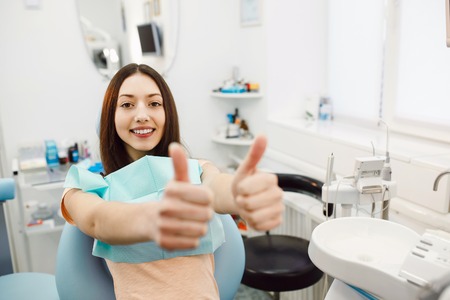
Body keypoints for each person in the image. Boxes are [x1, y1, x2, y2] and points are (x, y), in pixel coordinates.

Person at [60, 63, 284, 299]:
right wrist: (154, 217)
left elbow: (215, 188)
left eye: (154, 103)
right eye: (127, 104)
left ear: (168, 113)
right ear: (110, 117)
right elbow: (98, 221)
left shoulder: (196, 170)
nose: (142, 115)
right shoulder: (86, 186)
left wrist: (239, 194)